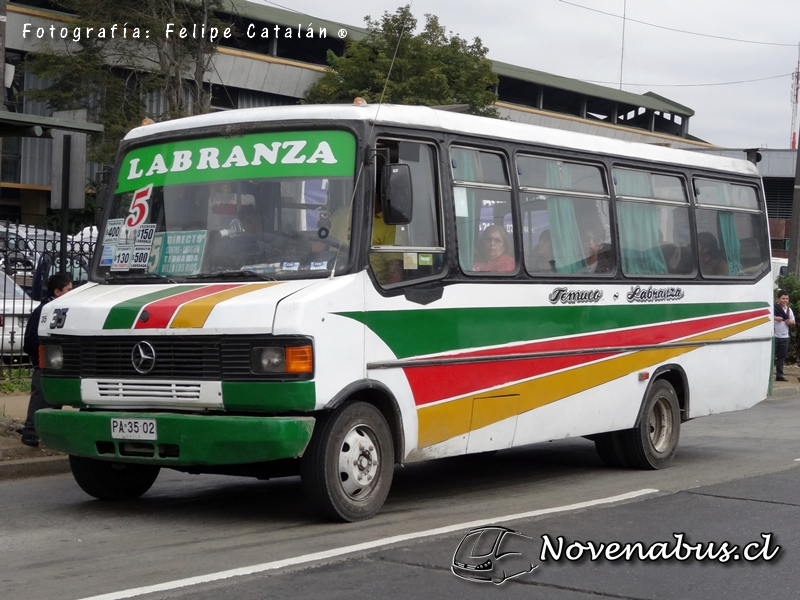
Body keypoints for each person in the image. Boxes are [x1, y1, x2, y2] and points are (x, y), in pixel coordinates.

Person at [20, 273, 73, 447]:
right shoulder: (44, 310)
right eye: (68, 290)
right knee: (41, 396)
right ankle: (31, 431)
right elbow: (31, 339)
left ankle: (47, 431)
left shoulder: (65, 308)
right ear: (57, 292)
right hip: (45, 361)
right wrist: (39, 357)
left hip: (58, 362)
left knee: (53, 398)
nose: (72, 293)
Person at [774, 289, 795, 382]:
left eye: (786, 298)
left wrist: (791, 322)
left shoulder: (789, 310)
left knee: (781, 357)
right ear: (778, 299)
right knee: (771, 357)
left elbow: (793, 321)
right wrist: (775, 318)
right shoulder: (774, 308)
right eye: (783, 298)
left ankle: (780, 375)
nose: (785, 300)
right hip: (774, 336)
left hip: (784, 337)